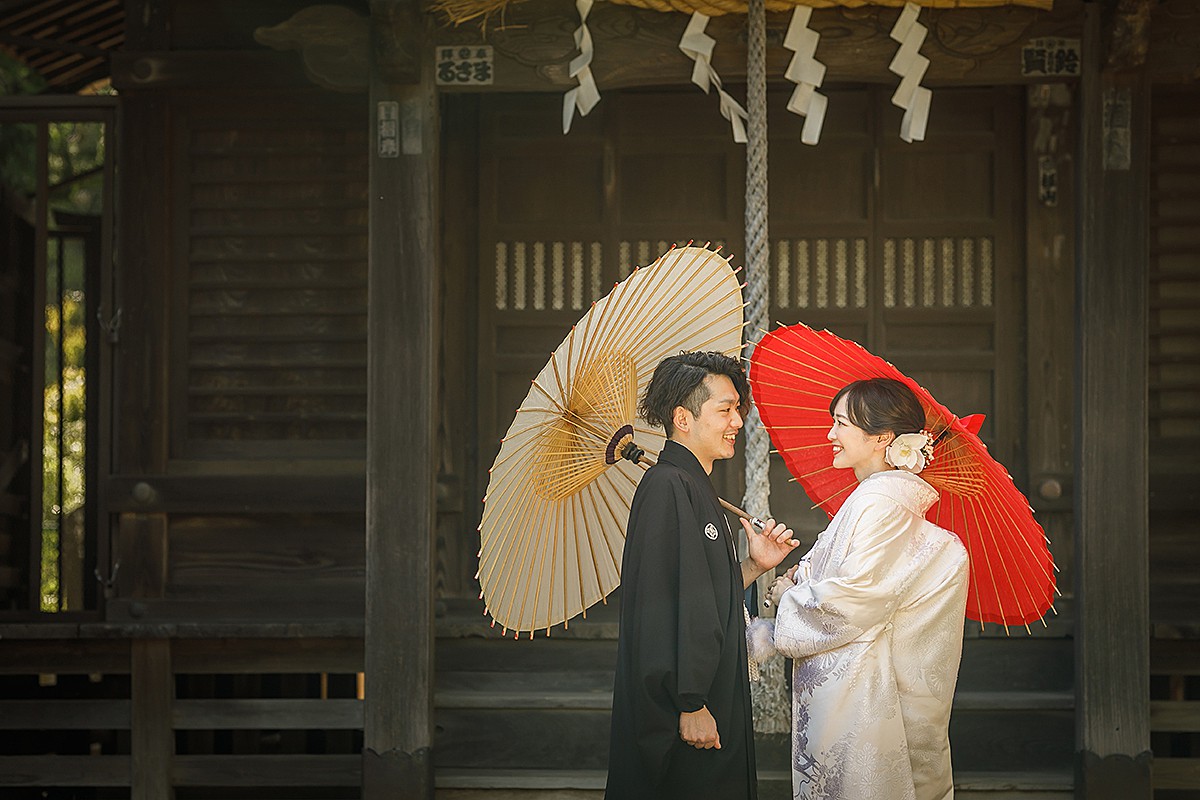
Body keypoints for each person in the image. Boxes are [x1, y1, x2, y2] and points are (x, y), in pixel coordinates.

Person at [751, 377, 969, 800]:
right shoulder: (877, 498)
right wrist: (802, 576)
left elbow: (854, 601)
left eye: (841, 424)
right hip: (855, 686)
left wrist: (787, 597)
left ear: (882, 438)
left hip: (863, 695)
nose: (830, 435)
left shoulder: (881, 503)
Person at [604, 351, 799, 800]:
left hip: (708, 696)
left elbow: (703, 594)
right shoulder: (667, 487)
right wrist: (690, 702)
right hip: (685, 709)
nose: (737, 421)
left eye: (738, 409)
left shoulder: (691, 486)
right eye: (725, 409)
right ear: (683, 419)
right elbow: (659, 606)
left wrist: (755, 566)